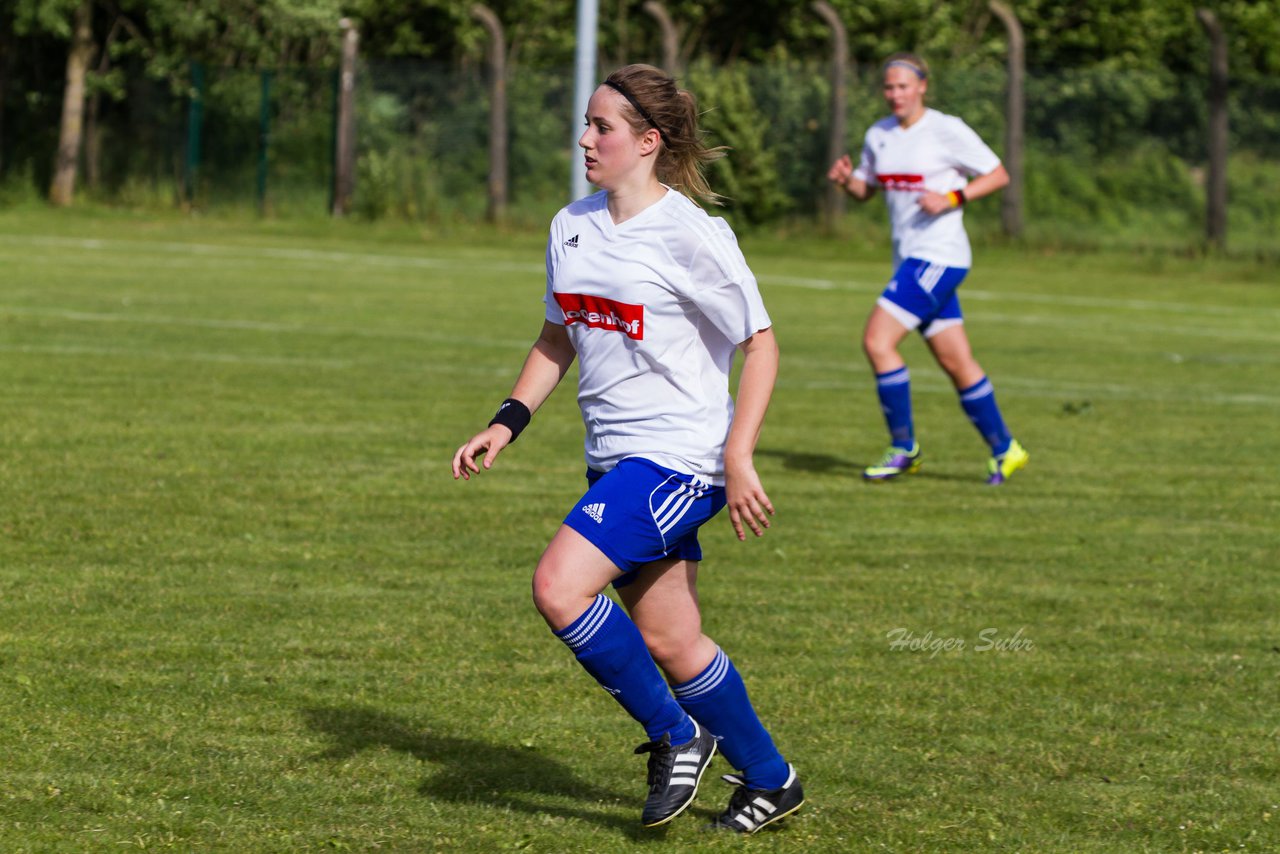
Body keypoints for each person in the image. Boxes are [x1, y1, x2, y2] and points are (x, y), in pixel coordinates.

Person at [451, 64, 803, 834]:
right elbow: (556, 337)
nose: (585, 139)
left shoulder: (691, 236)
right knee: (672, 640)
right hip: (615, 460)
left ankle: (678, 735)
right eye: (586, 122)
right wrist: (505, 420)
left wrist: (738, 456)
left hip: (680, 459)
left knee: (559, 586)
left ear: (647, 142)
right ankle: (773, 781)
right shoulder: (569, 225)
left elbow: (762, 344)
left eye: (602, 127)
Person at [827, 52, 1029, 485]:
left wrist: (952, 198)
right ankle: (1006, 449)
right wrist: (847, 181)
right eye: (888, 87)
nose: (895, 94)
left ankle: (904, 449)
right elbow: (868, 189)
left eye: (903, 86)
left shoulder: (946, 129)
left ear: (922, 86)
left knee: (877, 341)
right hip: (911, 259)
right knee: (957, 361)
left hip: (939, 256)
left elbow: (998, 175)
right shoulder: (878, 134)